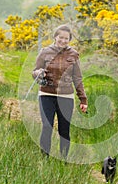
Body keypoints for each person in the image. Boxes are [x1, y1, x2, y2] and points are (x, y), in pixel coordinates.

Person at [32, 24, 88, 159]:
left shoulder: (73, 54)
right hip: (46, 95)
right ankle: (44, 159)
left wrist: (83, 99)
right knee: (47, 127)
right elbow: (35, 71)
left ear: (69, 40)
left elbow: (77, 77)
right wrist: (39, 73)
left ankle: (63, 160)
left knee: (64, 130)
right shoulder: (45, 52)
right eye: (60, 37)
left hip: (66, 97)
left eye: (66, 38)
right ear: (55, 37)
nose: (63, 40)